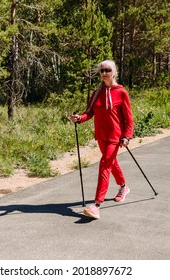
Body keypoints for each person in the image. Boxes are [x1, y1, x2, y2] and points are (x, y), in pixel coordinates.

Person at [71, 60, 134, 219]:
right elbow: (89, 113)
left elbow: (129, 119)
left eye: (107, 70)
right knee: (111, 163)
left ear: (113, 72)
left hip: (115, 136)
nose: (104, 73)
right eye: (102, 71)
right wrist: (79, 118)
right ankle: (124, 187)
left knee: (104, 165)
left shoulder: (121, 92)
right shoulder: (97, 92)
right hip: (101, 135)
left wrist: (127, 136)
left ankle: (96, 205)